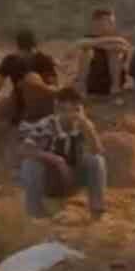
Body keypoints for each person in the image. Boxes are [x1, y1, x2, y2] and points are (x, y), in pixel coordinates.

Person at [17, 87, 107, 221]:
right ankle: (35, 213)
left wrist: (86, 125)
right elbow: (25, 149)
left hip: (73, 178)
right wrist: (55, 159)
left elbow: (98, 150)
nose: (72, 114)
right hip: (51, 180)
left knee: (96, 160)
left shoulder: (83, 125)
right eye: (67, 109)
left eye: (76, 109)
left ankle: (97, 210)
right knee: (30, 164)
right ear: (58, 109)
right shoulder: (47, 124)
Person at [0, 29, 59, 160]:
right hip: (23, 101)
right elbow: (55, 87)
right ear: (35, 44)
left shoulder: (17, 60)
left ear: (17, 45)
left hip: (35, 103)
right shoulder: (41, 59)